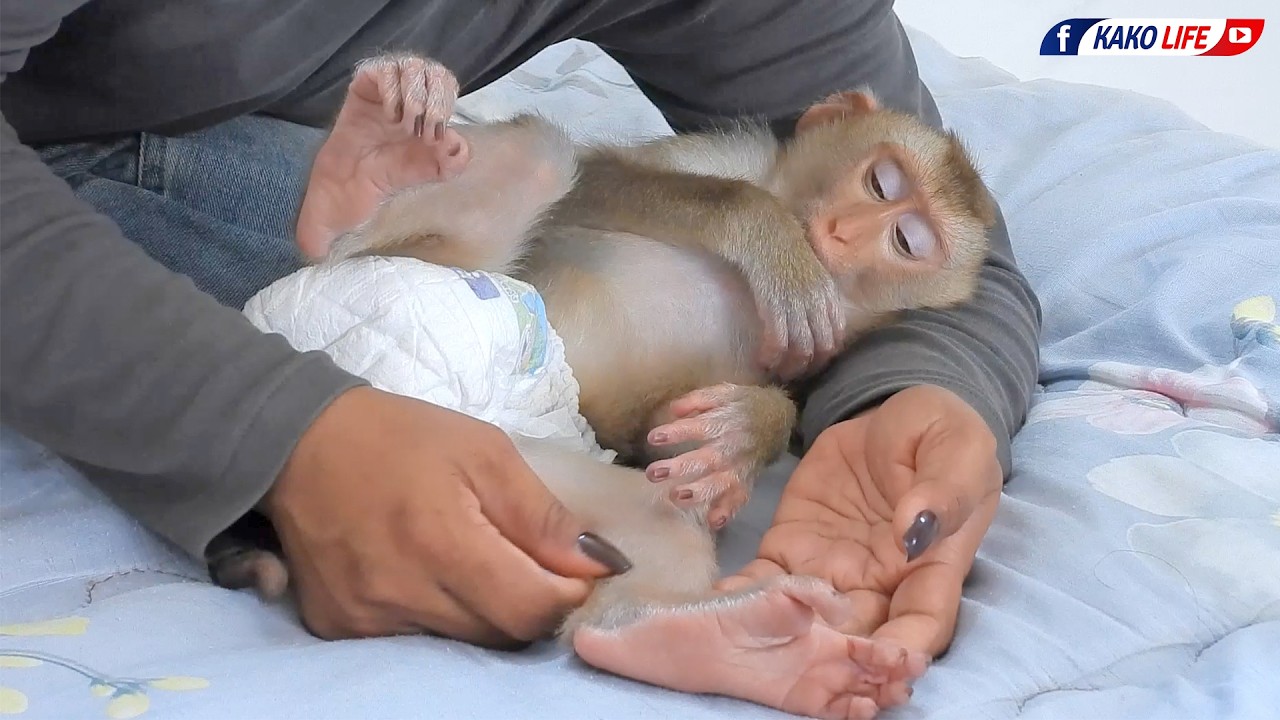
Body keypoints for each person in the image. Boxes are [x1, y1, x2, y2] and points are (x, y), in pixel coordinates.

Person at [0, 0, 1040, 673]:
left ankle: (665, 633)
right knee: (518, 164)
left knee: (633, 511)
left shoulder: (844, 153)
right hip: (117, 169)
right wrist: (276, 436)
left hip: (503, 347)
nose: (857, 232)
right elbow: (588, 189)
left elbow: (959, 255)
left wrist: (917, 398)